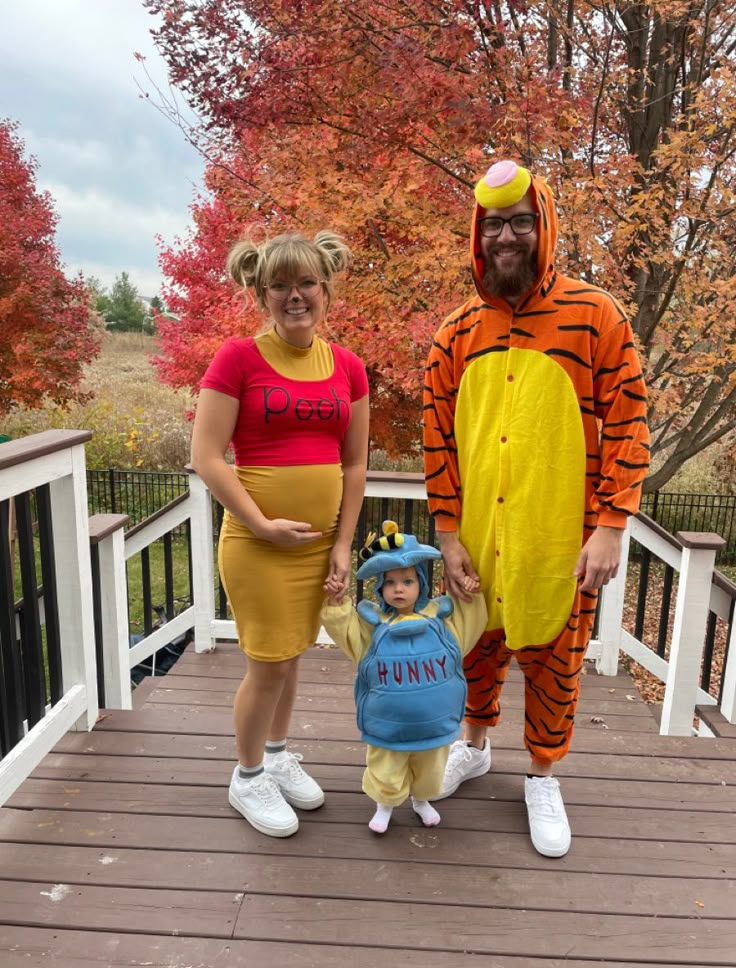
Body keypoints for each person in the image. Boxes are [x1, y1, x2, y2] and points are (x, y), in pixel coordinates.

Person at [423, 159, 649, 857]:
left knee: (556, 661)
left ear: (543, 224)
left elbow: (631, 421)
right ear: (478, 233)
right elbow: (437, 438)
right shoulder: (456, 331)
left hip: (561, 539)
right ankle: (475, 744)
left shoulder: (596, 316)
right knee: (475, 654)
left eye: (521, 221)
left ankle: (543, 775)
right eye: (495, 224)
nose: (507, 237)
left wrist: (612, 525)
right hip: (480, 541)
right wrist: (448, 532)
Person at [190, 229, 369, 838]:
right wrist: (260, 522)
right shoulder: (237, 358)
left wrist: (343, 543)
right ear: (262, 293)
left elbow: (353, 465)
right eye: (280, 286)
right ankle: (245, 779)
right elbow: (208, 456)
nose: (296, 296)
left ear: (326, 288)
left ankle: (273, 756)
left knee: (290, 660)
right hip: (258, 544)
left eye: (307, 284)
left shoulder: (348, 366)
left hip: (319, 547)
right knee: (267, 664)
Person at [321, 521, 487, 833]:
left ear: (421, 585)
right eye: (391, 582)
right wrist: (336, 604)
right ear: (380, 589)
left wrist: (471, 594)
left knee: (431, 768)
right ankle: (385, 804)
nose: (399, 588)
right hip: (388, 724)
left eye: (408, 581)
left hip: (434, 724)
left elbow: (472, 622)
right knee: (386, 767)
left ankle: (422, 800)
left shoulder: (442, 625)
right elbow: (346, 632)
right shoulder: (374, 630)